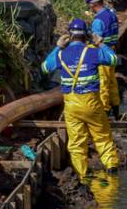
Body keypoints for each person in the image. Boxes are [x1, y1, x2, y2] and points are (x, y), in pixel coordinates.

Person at [41, 18, 120, 180]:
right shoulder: (93, 52)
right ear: (86, 36)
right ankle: (112, 172)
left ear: (70, 35)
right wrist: (101, 44)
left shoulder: (62, 54)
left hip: (72, 106)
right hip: (92, 104)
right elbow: (113, 59)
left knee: (76, 143)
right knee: (103, 138)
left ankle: (82, 177)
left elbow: (45, 68)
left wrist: (57, 47)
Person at [86, 0, 121, 118]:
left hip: (102, 53)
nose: (89, 7)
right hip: (111, 50)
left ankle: (105, 114)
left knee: (103, 84)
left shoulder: (97, 21)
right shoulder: (111, 14)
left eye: (89, 4)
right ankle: (116, 110)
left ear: (93, 4)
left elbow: (97, 40)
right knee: (112, 82)